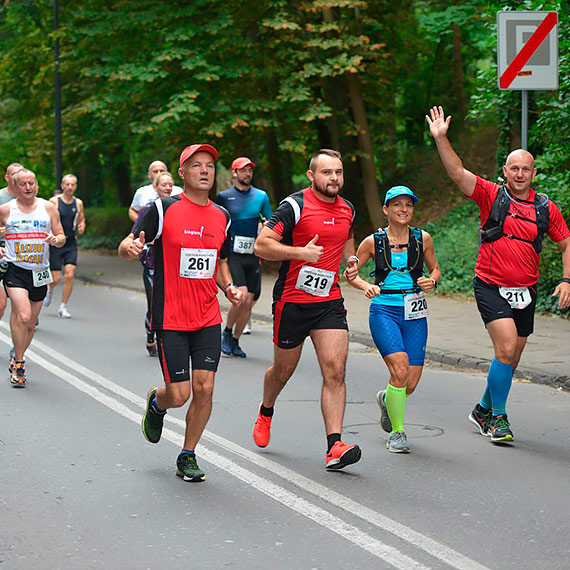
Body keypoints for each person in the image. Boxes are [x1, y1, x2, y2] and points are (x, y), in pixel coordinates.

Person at [426, 105, 570, 443]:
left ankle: (482, 409)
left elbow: (566, 243)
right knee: (505, 348)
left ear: (534, 173)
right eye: (514, 168)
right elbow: (458, 172)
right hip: (490, 285)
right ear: (505, 171)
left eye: (526, 169)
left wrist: (566, 280)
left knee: (511, 356)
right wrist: (441, 140)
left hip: (526, 290)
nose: (520, 174)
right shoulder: (491, 195)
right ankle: (498, 420)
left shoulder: (545, 208)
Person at [119, 144, 243, 482]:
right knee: (180, 394)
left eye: (209, 166)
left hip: (207, 317)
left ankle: (187, 454)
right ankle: (158, 404)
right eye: (196, 165)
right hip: (171, 317)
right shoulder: (161, 209)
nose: (204, 170)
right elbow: (128, 244)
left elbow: (219, 263)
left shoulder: (222, 216)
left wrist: (229, 288)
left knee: (204, 389)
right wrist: (129, 248)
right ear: (183, 173)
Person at [252, 148, 361, 471]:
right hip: (292, 302)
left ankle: (334, 445)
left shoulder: (348, 209)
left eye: (338, 172)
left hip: (328, 301)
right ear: (312, 176)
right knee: (282, 371)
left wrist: (351, 263)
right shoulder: (294, 205)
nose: (334, 178)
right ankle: (266, 409)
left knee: (335, 370)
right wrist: (300, 253)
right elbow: (262, 245)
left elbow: (346, 241)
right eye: (327, 173)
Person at [344, 186, 441, 453]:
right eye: (397, 205)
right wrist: (365, 285)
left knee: (409, 382)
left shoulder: (423, 238)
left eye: (408, 205)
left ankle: (387, 398)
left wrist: (431, 280)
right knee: (399, 370)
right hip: (384, 310)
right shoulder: (372, 242)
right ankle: (397, 433)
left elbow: (435, 268)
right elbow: (350, 274)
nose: (403, 210)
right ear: (386, 210)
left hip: (415, 312)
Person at [0, 169, 65, 386]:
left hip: (39, 271)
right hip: (15, 269)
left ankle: (17, 355)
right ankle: (19, 363)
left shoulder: (48, 208)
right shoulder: (5, 210)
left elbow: (62, 235)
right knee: (25, 316)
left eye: (31, 184)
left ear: (36, 186)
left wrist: (56, 240)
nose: (28, 188)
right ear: (15, 188)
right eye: (23, 184)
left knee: (29, 325)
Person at [214, 157, 272, 357]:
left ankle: (235, 341)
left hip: (252, 254)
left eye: (250, 170)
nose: (247, 174)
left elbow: (271, 223)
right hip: (232, 254)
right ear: (234, 173)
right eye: (243, 170)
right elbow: (215, 221)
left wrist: (265, 228)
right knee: (243, 294)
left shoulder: (261, 196)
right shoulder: (224, 197)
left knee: (250, 300)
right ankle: (227, 332)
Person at [135, 171, 174, 356]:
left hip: (172, 266)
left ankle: (166, 340)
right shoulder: (150, 209)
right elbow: (135, 236)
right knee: (155, 304)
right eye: (163, 184)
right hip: (152, 264)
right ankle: (151, 338)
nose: (167, 188)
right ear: (156, 187)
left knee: (170, 304)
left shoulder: (178, 208)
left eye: (170, 184)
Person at [43, 174, 86, 318]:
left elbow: (81, 219)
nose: (70, 187)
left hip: (70, 242)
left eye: (72, 184)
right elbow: (46, 219)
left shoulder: (78, 203)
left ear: (76, 186)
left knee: (69, 274)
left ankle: (63, 306)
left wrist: (81, 226)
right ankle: (49, 290)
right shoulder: (54, 201)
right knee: (55, 279)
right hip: (56, 243)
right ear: (62, 186)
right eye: (67, 184)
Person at [0, 163, 24, 323]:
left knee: (22, 311)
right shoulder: (1, 197)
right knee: (1, 304)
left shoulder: (30, 199)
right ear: (7, 177)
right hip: (2, 253)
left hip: (25, 255)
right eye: (14, 174)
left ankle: (17, 347)